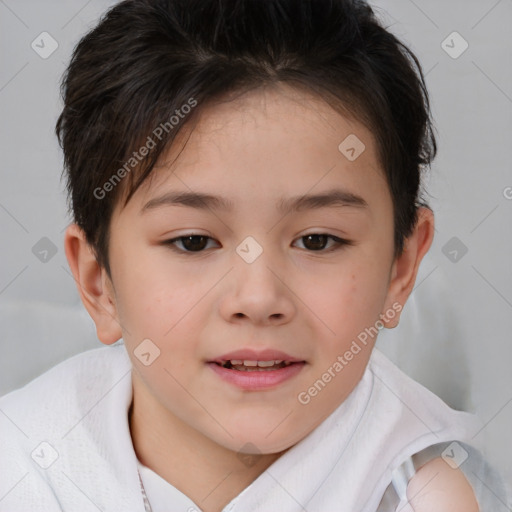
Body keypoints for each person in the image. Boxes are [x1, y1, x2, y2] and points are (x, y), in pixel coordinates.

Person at [0, 0, 509, 510]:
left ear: (401, 269)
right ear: (98, 282)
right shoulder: (25, 466)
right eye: (193, 242)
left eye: (317, 240)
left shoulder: (419, 493)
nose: (259, 298)